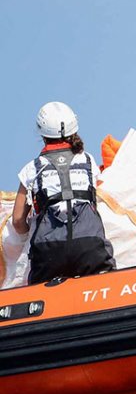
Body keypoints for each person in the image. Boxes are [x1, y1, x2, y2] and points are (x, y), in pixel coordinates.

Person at [11, 102, 115, 284]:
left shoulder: (31, 169)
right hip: (90, 247)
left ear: (41, 133)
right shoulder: (88, 161)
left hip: (48, 253)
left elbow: (18, 221)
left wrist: (32, 233)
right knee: (107, 285)